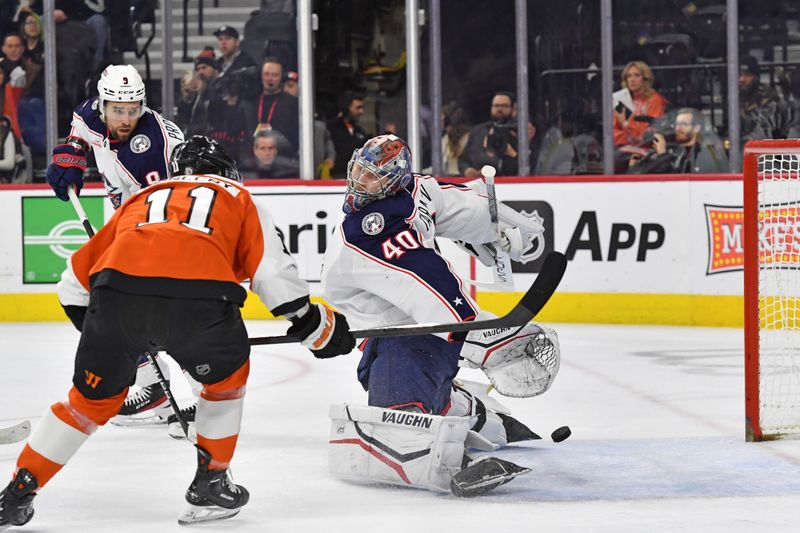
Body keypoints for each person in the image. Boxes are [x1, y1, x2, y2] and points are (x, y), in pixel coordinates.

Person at [0, 135, 356, 529]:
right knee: (223, 384)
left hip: (116, 296)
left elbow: (72, 284)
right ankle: (211, 483)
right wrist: (315, 328)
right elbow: (272, 276)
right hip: (200, 304)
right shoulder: (238, 196)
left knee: (85, 404)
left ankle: (16, 493)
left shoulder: (143, 197)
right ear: (227, 172)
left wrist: (113, 338)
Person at [320, 135, 561, 495]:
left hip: (408, 339)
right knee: (409, 402)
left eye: (372, 176)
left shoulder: (407, 198)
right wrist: (486, 338)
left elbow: (457, 214)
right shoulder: (373, 224)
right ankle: (470, 410)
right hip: (407, 337)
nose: (359, 181)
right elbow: (427, 284)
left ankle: (451, 415)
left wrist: (494, 228)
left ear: (395, 180)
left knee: (401, 413)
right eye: (357, 170)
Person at [44, 64, 188, 428]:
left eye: (133, 109)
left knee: (164, 311)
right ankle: (151, 381)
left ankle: (202, 400)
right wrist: (71, 154)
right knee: (85, 292)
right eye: (118, 110)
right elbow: (79, 132)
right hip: (129, 220)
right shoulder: (91, 111)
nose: (126, 118)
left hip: (170, 227)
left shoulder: (151, 150)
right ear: (103, 103)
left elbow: (166, 210)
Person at [627, 108, 728, 174]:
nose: (678, 128)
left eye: (684, 124)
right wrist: (635, 167)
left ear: (696, 128)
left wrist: (663, 155)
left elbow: (675, 180)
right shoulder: (674, 150)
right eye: (677, 124)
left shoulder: (703, 153)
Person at [458, 91, 526, 177]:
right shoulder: (478, 131)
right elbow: (463, 159)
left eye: (504, 106)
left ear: (512, 109)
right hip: (479, 184)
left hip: (510, 184)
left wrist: (512, 153)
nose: (499, 109)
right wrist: (467, 170)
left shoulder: (521, 132)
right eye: (496, 105)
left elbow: (530, 166)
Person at [245, 56, 299, 154]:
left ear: (281, 77)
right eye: (266, 74)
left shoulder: (293, 103)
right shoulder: (252, 102)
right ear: (261, 76)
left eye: (274, 75)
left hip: (283, 158)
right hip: (254, 158)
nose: (270, 78)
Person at [613, 61, 668, 148]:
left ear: (645, 78)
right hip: (624, 149)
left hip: (647, 150)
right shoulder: (622, 100)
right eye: (629, 76)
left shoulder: (655, 100)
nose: (632, 79)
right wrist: (629, 138)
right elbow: (613, 133)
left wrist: (626, 124)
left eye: (637, 75)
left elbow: (649, 133)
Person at [327, 90, 369, 178]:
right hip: (335, 179)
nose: (361, 112)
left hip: (357, 179)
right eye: (358, 108)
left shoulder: (360, 131)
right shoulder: (330, 128)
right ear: (346, 108)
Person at [739, 55, 781, 141]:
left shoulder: (767, 96)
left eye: (747, 75)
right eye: (739, 74)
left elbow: (766, 130)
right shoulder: (735, 96)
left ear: (756, 77)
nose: (742, 79)